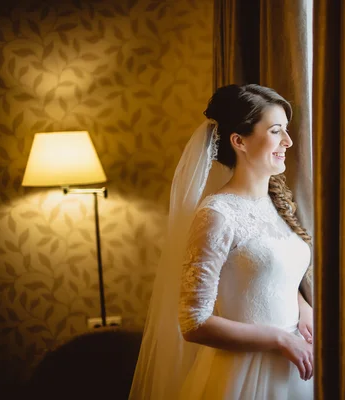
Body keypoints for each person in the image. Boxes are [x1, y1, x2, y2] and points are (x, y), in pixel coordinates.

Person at [129, 84, 315, 399]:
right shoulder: (216, 214)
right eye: (275, 131)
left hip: (295, 368)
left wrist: (303, 307)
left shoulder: (277, 203)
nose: (288, 141)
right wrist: (280, 339)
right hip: (245, 375)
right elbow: (193, 322)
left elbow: (268, 274)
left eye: (286, 130)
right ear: (239, 141)